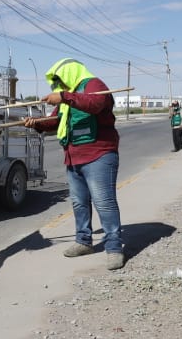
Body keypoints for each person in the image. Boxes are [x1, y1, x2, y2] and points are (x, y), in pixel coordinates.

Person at [22, 58, 124, 270]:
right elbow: (57, 121)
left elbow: (95, 104)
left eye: (60, 80)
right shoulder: (67, 97)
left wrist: (64, 97)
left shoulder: (94, 84)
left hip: (99, 155)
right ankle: (84, 242)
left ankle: (114, 248)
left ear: (69, 73)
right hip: (73, 157)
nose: (59, 86)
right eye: (56, 83)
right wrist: (37, 124)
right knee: (79, 203)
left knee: (104, 202)